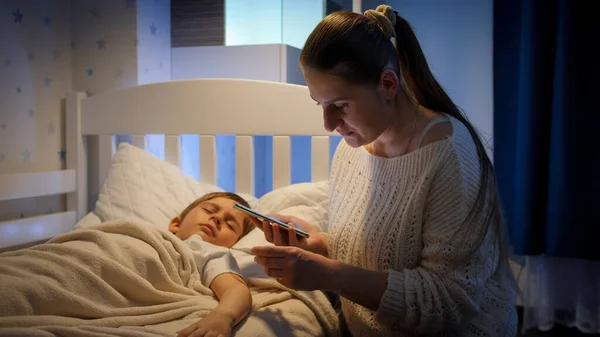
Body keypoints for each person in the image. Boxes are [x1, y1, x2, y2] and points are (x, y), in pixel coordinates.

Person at [251, 4, 518, 337]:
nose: (328, 124)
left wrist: (328, 274)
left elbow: (450, 299)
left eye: (340, 106)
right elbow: (389, 256)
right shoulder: (352, 153)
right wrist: (318, 245)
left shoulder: (447, 154)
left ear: (388, 84)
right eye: (319, 105)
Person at [168, 192, 258, 337]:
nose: (217, 218)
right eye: (209, 210)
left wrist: (222, 317)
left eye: (230, 225)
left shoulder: (205, 249)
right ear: (176, 224)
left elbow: (235, 289)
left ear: (232, 244)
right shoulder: (152, 235)